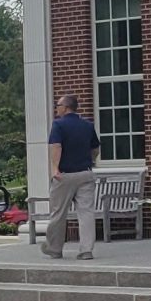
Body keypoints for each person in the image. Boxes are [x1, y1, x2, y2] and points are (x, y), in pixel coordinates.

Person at [44, 94, 101, 259]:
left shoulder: (58, 125)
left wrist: (55, 168)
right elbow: (96, 149)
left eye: (58, 105)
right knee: (86, 213)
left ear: (65, 107)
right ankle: (86, 250)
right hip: (85, 173)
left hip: (65, 175)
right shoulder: (88, 125)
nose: (57, 109)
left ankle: (54, 248)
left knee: (58, 212)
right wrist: (90, 160)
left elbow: (56, 146)